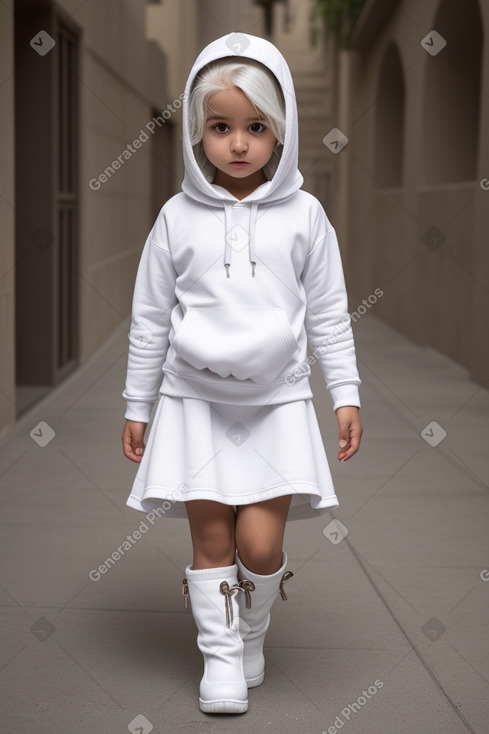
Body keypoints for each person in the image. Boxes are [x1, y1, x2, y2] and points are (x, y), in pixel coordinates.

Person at [121, 32, 362, 715]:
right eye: (221, 126)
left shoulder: (306, 216)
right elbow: (149, 317)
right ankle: (220, 657)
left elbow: (328, 314)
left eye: (255, 127)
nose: (237, 143)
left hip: (276, 402)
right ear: (199, 132)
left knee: (259, 544)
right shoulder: (174, 218)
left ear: (279, 129)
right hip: (193, 400)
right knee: (212, 538)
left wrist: (343, 393)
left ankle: (252, 627)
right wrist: (138, 403)